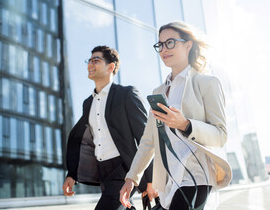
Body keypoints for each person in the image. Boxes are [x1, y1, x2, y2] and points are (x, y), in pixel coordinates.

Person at [119, 22, 232, 210]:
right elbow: (148, 141)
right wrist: (132, 178)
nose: (164, 49)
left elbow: (221, 135)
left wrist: (186, 124)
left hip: (196, 177)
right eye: (160, 45)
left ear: (188, 45)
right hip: (169, 181)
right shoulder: (159, 91)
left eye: (170, 43)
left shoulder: (207, 83)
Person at [62, 45, 154, 210]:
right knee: (121, 206)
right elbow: (81, 139)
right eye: (89, 60)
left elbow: (145, 135)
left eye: (96, 60)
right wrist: (72, 174)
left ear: (111, 67)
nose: (90, 64)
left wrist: (150, 179)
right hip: (102, 171)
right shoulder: (88, 103)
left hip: (124, 168)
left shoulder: (126, 94)